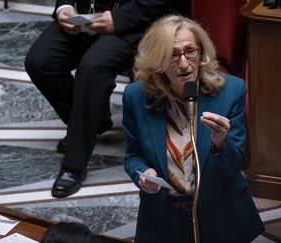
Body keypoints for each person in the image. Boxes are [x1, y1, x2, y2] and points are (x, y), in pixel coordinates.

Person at [122, 15, 265, 243]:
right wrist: (142, 175)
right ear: (158, 60)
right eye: (173, 55)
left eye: (190, 51)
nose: (184, 63)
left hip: (220, 213)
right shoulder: (136, 97)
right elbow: (133, 155)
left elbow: (234, 165)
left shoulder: (231, 92)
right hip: (163, 216)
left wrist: (220, 142)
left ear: (201, 52)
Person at [24, 0, 172, 198]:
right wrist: (64, 7)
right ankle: (96, 120)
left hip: (133, 24)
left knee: (93, 67)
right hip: (83, 18)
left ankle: (74, 165)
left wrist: (119, 19)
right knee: (40, 62)